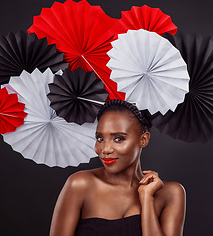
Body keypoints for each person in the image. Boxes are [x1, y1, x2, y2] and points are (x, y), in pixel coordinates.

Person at [49, 99, 186, 236]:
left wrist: (146, 199)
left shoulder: (170, 193)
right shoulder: (80, 184)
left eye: (118, 139)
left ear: (143, 139)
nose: (105, 149)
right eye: (100, 139)